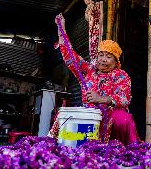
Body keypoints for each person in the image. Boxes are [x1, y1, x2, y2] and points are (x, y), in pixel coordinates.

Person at [48, 14, 140, 145]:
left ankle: (122, 150)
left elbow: (124, 99)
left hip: (110, 118)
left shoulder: (121, 75)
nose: (103, 59)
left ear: (116, 61)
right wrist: (60, 28)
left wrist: (101, 99)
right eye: (101, 55)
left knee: (123, 119)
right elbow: (70, 56)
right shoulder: (88, 70)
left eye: (108, 56)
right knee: (64, 115)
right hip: (90, 116)